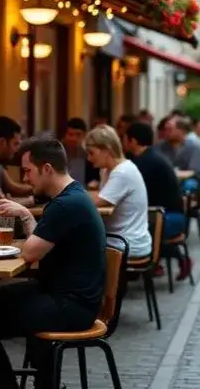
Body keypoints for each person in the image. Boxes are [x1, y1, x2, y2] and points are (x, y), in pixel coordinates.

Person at [0, 135, 106, 389]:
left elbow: (31, 253)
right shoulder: (73, 196)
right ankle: (48, 388)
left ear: (46, 169)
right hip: (73, 296)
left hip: (71, 306)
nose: (26, 178)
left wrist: (23, 214)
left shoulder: (65, 205)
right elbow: (39, 249)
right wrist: (30, 218)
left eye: (28, 171)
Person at [125, 123, 192, 280]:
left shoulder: (145, 163)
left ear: (132, 141)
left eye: (124, 138)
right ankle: (143, 267)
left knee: (133, 230)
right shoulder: (146, 157)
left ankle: (145, 265)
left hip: (170, 216)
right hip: (163, 212)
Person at [86, 125, 152, 259]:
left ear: (106, 150)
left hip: (126, 243)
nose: (88, 158)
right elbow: (96, 197)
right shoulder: (107, 170)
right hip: (119, 239)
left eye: (91, 153)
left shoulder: (122, 172)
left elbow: (97, 201)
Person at [156, 116, 200, 181]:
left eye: (170, 129)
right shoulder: (158, 148)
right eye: (165, 129)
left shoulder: (193, 149)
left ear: (182, 130)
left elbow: (194, 172)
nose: (166, 132)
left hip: (184, 185)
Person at [62, 118, 97, 185]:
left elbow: (94, 180)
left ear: (84, 135)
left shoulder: (90, 156)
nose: (74, 139)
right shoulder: (57, 154)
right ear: (65, 136)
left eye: (78, 135)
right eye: (70, 134)